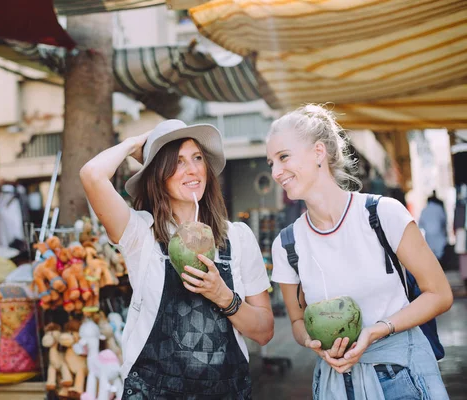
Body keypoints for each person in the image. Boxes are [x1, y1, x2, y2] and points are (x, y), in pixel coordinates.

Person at [265, 105, 453, 399]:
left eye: (283, 157)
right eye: (271, 163)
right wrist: (313, 343)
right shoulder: (287, 244)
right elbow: (297, 322)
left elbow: (440, 294)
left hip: (401, 376)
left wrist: (377, 330)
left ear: (318, 153)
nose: (276, 172)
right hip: (335, 385)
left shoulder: (382, 214)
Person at [81, 120, 274, 399]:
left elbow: (265, 331)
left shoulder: (238, 238)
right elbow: (91, 175)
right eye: (178, 162)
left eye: (197, 158)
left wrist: (224, 297)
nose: (192, 169)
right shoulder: (140, 235)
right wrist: (137, 144)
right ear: (159, 175)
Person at [419, 191, 448, 265]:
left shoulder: (424, 210)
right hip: (438, 232)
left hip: (428, 233)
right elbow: (444, 220)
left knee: (432, 251)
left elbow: (420, 224)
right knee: (440, 251)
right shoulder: (439, 208)